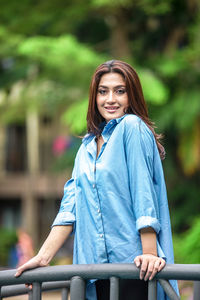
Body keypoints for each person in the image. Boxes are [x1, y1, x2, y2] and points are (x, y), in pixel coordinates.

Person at [15, 60, 178, 300]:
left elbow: (143, 192)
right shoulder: (86, 147)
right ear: (95, 96)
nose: (110, 99)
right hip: (93, 272)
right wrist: (43, 257)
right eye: (103, 91)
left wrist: (150, 254)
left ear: (131, 96)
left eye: (120, 91)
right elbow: (70, 209)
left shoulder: (132, 128)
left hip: (134, 267)